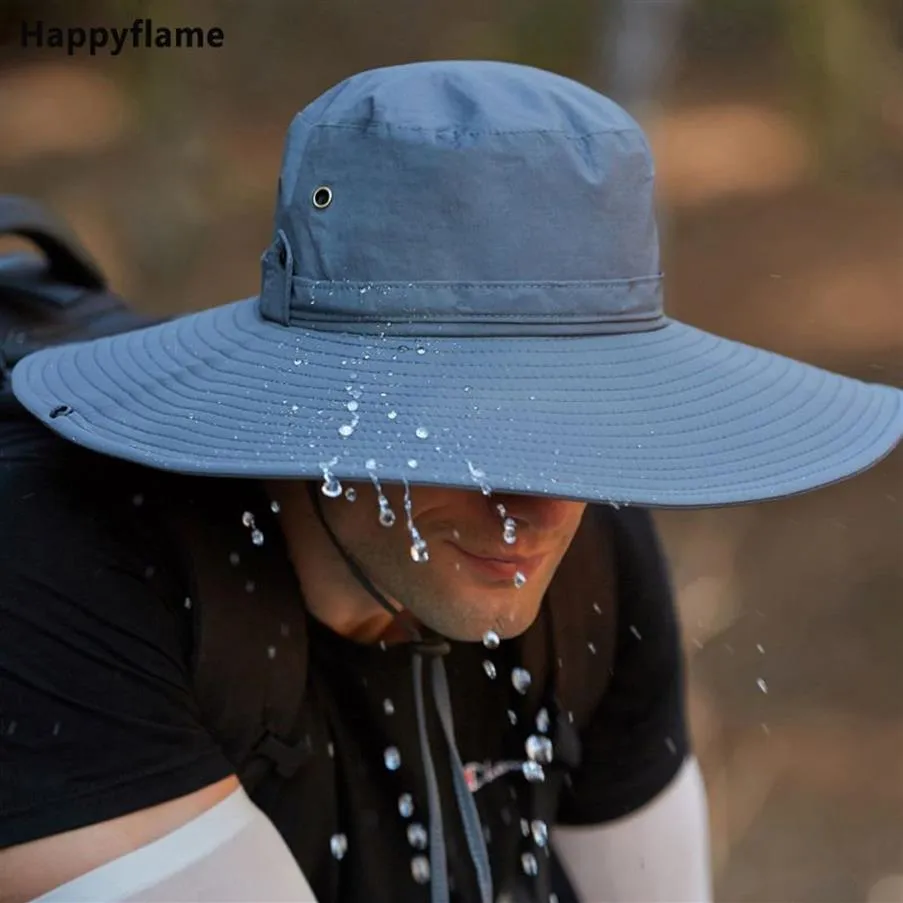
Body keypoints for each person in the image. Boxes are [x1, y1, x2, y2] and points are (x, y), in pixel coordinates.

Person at [1, 60, 900, 903]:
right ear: (316, 404)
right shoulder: (68, 563)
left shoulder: (590, 561)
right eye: (473, 442)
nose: (540, 508)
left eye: (576, 432)